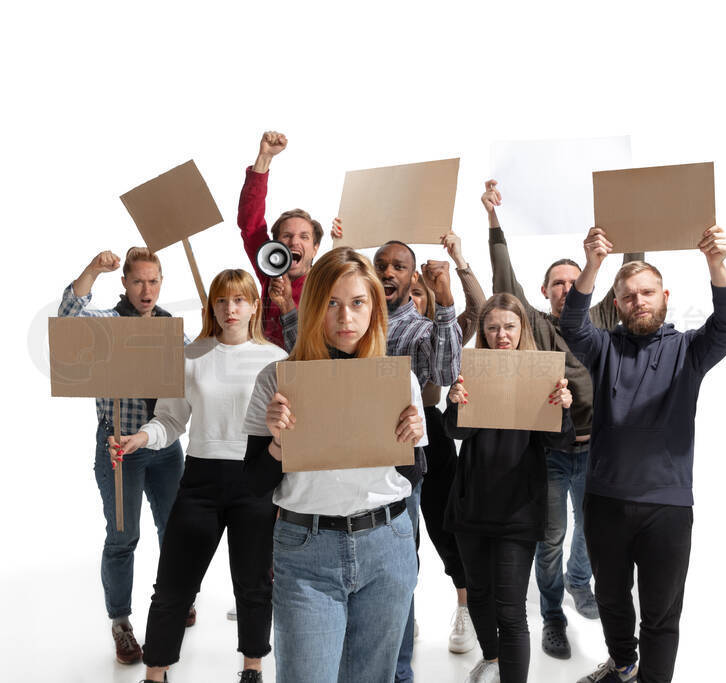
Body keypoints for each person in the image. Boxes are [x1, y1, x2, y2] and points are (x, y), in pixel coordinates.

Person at [565, 226, 726, 683]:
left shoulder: (689, 350)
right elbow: (572, 325)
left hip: (666, 507)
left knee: (662, 614)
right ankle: (623, 663)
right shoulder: (604, 348)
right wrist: (592, 264)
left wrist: (715, 263)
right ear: (617, 304)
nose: (638, 301)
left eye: (647, 292)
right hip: (605, 500)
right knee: (609, 597)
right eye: (628, 296)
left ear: (664, 295)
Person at [242, 246, 427, 683]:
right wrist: (278, 445)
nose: (346, 318)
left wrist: (412, 442)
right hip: (308, 550)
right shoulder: (278, 380)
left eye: (358, 303)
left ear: (374, 308)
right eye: (332, 304)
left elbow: (414, 476)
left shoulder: (397, 379)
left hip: (387, 544)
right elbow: (252, 484)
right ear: (312, 307)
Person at [482, 179, 644, 659]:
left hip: (599, 452)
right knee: (549, 538)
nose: (567, 288)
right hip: (552, 454)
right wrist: (493, 219)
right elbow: (503, 281)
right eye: (558, 282)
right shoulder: (533, 323)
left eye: (574, 281)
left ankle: (580, 582)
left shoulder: (601, 318)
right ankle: (552, 613)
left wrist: (633, 216)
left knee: (592, 533)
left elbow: (631, 268)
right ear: (545, 291)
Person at [106, 269, 286, 683]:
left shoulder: (275, 359)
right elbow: (169, 419)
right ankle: (156, 671)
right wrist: (141, 437)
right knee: (173, 584)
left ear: (255, 305)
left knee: (254, 583)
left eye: (239, 300)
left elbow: (287, 432)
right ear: (213, 307)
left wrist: (284, 493)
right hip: (201, 480)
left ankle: (252, 668)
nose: (230, 309)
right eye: (222, 301)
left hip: (256, 479)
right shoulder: (190, 356)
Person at [57, 247, 188, 665]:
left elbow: (200, 369)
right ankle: (121, 622)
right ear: (125, 284)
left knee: (175, 530)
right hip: (118, 447)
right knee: (123, 536)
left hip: (164, 448)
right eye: (138, 281)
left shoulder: (171, 329)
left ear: (161, 282)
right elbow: (66, 321)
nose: (146, 289)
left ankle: (173, 599)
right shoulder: (107, 325)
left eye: (153, 281)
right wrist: (93, 269)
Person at [443, 293, 575, 683]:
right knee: (479, 594)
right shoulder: (472, 371)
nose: (502, 334)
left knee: (511, 609)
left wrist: (562, 408)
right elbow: (456, 431)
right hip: (471, 503)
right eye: (493, 327)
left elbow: (559, 443)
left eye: (509, 326)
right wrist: (455, 402)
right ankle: (492, 658)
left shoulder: (540, 374)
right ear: (483, 332)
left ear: (522, 330)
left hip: (519, 507)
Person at [408, 231, 487, 655]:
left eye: (422, 294)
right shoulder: (378, 326)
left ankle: (466, 606)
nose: (416, 300)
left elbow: (477, 309)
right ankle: (402, 608)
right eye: (411, 294)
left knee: (445, 523)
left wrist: (459, 261)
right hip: (386, 433)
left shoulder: (444, 330)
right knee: (402, 531)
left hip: (432, 431)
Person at [237, 130, 325, 348]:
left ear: (315, 248)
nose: (294, 242)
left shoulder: (325, 286)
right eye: (287, 236)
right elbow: (250, 225)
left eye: (304, 237)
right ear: (275, 246)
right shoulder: (269, 275)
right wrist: (264, 158)